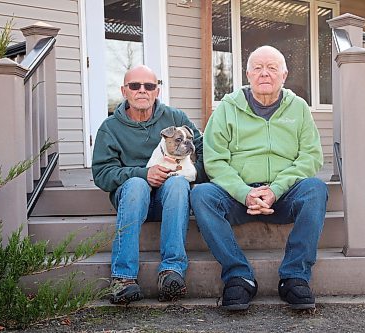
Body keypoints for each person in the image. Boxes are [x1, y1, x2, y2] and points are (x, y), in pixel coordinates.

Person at [191, 46, 328, 311]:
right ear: (247, 74)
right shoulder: (227, 109)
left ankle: (295, 277)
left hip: (283, 194)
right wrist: (245, 193)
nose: (264, 73)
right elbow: (215, 160)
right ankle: (238, 276)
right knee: (201, 194)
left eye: (272, 68)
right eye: (257, 68)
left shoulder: (298, 108)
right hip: (238, 196)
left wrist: (276, 189)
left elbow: (311, 157)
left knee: (315, 189)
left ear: (284, 75)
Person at [92, 64, 206, 304]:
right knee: (136, 185)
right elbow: (102, 173)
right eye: (135, 86)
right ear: (124, 91)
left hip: (171, 200)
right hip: (133, 199)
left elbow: (203, 148)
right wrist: (144, 174)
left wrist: (194, 176)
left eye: (149, 86)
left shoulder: (175, 118)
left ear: (157, 91)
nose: (142, 91)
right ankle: (123, 278)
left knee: (177, 185)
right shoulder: (109, 128)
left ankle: (171, 273)